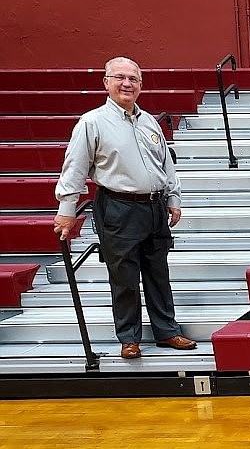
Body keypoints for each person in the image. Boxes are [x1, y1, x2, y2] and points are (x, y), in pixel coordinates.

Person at [53, 56, 196, 360]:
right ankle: (129, 337)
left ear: (141, 86)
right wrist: (67, 209)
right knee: (124, 276)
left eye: (133, 79)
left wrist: (173, 198)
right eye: (119, 77)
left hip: (153, 206)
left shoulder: (148, 122)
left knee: (158, 272)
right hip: (118, 206)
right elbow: (75, 167)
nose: (127, 83)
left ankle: (167, 331)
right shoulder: (92, 122)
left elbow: (165, 164)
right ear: (106, 83)